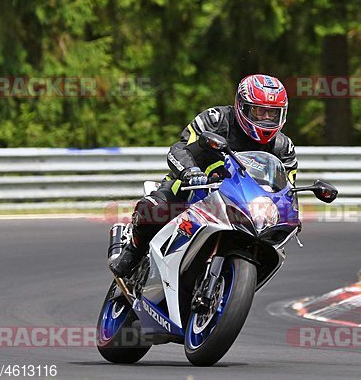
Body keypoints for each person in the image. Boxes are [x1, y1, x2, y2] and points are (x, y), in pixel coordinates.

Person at [109, 74, 298, 277]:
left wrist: (290, 211)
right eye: (260, 111)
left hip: (241, 204)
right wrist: (190, 172)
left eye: (272, 113)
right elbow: (179, 149)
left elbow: (286, 187)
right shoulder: (216, 119)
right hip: (194, 189)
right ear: (242, 106)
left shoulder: (283, 147)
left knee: (272, 246)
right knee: (155, 209)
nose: (266, 119)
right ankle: (133, 251)